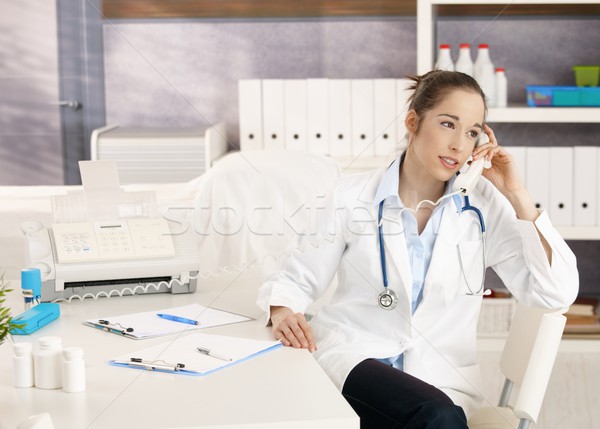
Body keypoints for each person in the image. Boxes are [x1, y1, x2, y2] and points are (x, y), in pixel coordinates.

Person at [256, 70, 579, 428]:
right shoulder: (352, 195)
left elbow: (555, 293)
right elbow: (297, 277)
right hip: (356, 362)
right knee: (435, 416)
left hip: (440, 378)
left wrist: (517, 194)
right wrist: (283, 310)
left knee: (435, 413)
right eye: (447, 124)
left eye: (472, 132)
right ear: (413, 121)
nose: (459, 144)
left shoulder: (484, 206)